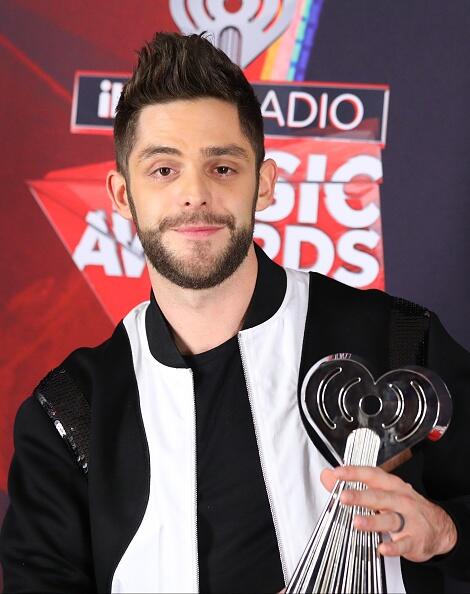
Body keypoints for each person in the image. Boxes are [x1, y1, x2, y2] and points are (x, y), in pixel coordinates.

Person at [1, 32, 470, 594]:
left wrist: (447, 533)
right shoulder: (71, 411)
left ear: (264, 184)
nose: (194, 194)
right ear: (123, 196)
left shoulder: (397, 341)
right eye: (163, 170)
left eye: (222, 167)